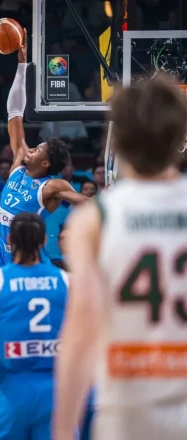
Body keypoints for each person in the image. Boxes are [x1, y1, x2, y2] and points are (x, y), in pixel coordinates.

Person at [53, 76, 187, 440]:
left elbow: (80, 333)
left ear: (118, 141)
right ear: (180, 137)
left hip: (128, 407)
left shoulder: (94, 219)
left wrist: (63, 430)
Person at [0, 212, 70, 440]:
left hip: (11, 388)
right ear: (44, 241)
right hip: (57, 387)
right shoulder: (69, 282)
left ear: (9, 239)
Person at [0, 29, 87, 267]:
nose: (31, 150)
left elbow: (83, 201)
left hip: (29, 258)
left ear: (46, 163)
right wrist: (22, 67)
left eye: (38, 150)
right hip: (4, 250)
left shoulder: (51, 186)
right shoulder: (19, 163)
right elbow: (14, 113)